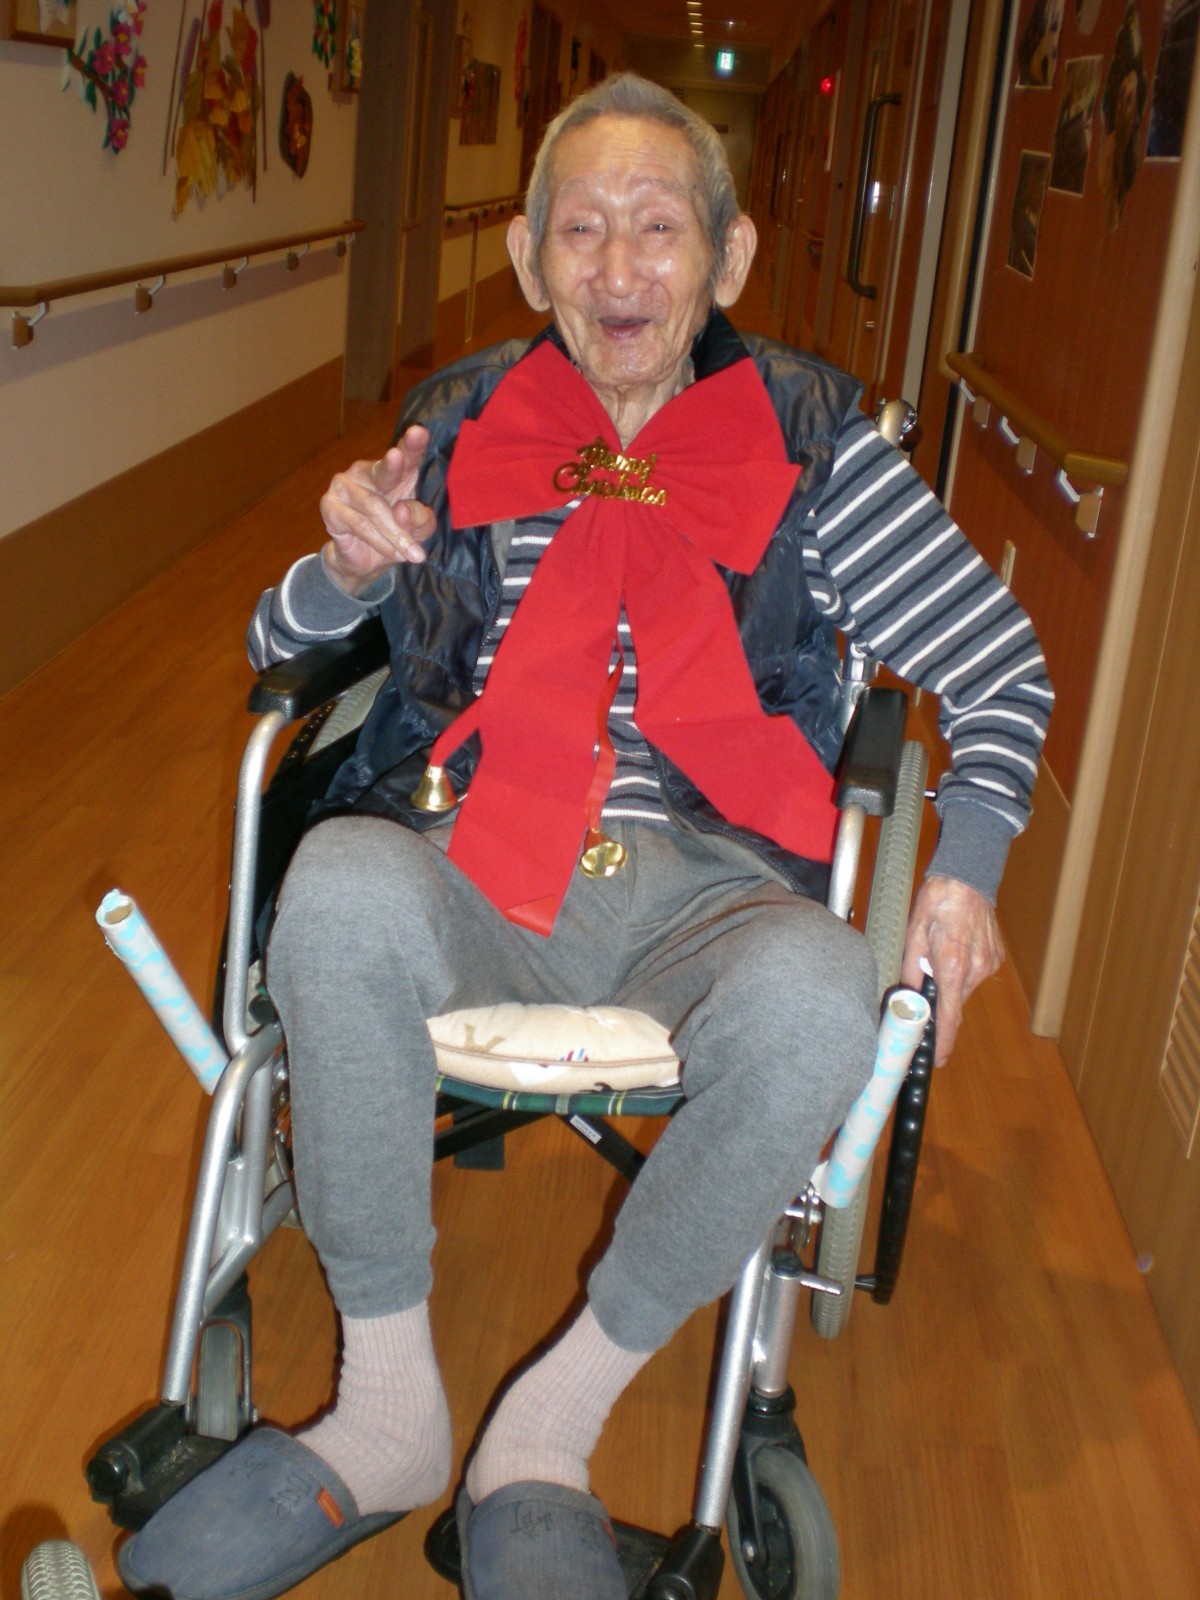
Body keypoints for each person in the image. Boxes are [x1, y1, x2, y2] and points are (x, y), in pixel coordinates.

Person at [120, 72, 1050, 1600]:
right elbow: (278, 646)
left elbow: (999, 666)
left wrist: (965, 868)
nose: (619, 268)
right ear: (529, 254)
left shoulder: (819, 447)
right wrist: (343, 569)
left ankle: (544, 1435)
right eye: (582, 229)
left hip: (718, 882)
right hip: (475, 847)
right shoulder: (459, 423)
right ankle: (389, 1413)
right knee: (335, 889)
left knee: (824, 993)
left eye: (659, 227)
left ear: (729, 257)